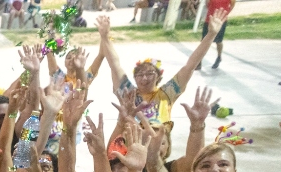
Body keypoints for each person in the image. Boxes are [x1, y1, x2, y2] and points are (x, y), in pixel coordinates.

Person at [98, 11, 228, 124]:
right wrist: (104, 37)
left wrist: (211, 35)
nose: (144, 78)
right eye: (139, 74)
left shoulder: (167, 93)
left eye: (149, 73)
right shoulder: (128, 94)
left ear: (158, 76)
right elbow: (114, 64)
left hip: (159, 148)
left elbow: (190, 66)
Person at [197, 0, 235, 70]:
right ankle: (199, 62)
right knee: (204, 41)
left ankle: (219, 57)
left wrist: (225, 13)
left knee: (218, 41)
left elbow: (232, 5)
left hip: (221, 20)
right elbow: (207, 4)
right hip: (210, 19)